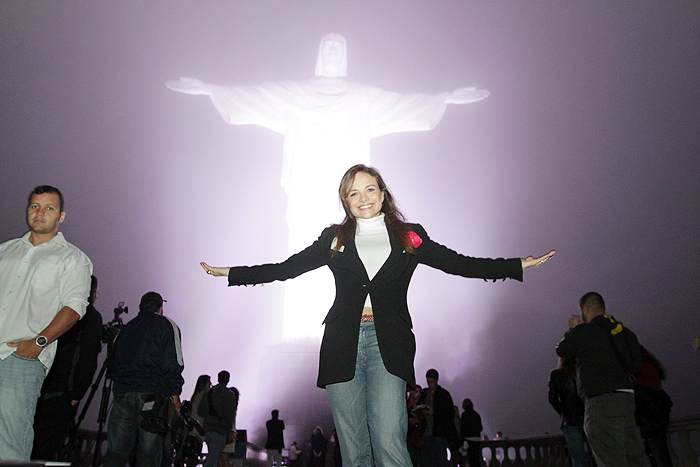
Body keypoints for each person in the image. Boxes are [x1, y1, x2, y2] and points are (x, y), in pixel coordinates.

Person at [201, 164, 555, 467]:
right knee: (353, 450)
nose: (364, 197)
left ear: (383, 194)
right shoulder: (334, 238)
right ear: (346, 201)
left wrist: (516, 265)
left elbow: (459, 264)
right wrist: (232, 273)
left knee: (389, 441)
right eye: (354, 193)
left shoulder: (409, 237)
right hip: (343, 343)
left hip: (390, 343)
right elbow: (287, 268)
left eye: (370, 189)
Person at [169, 33, 492, 341]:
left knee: (352, 254)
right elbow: (253, 97)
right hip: (307, 184)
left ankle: (349, 322)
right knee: (306, 252)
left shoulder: (362, 96)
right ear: (319, 55)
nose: (334, 52)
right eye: (329, 47)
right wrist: (209, 89)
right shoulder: (295, 93)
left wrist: (444, 99)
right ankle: (300, 330)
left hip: (349, 190)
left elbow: (403, 105)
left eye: (340, 47)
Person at [0, 185, 93, 461]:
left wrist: (38, 342)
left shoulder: (72, 259)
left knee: (9, 440)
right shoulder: (5, 251)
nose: (40, 213)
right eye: (34, 206)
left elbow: (75, 307)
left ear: (61, 216)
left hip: (19, 358)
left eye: (48, 208)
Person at [556, 292, 651, 467]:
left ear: (585, 309)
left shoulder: (584, 331)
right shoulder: (625, 332)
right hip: (627, 399)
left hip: (601, 401)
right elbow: (636, 367)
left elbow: (562, 350)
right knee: (636, 456)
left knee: (610, 457)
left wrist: (573, 329)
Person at [104, 292, 185, 467]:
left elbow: (113, 362)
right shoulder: (167, 325)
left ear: (140, 307)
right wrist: (175, 393)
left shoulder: (126, 328)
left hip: (123, 395)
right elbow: (173, 361)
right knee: (148, 456)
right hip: (153, 399)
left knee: (116, 454)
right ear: (160, 307)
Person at [32, 274, 103, 461]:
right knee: (46, 449)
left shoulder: (56, 308)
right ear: (91, 293)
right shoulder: (90, 317)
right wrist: (77, 393)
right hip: (63, 393)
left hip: (38, 385)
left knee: (26, 442)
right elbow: (87, 359)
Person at [636, 346, 673, 467]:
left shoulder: (641, 368)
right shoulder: (651, 366)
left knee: (656, 455)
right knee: (661, 454)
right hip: (658, 415)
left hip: (649, 417)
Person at [547, 357, 587, 467]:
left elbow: (552, 399)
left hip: (569, 421)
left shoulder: (556, 375)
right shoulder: (582, 371)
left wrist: (563, 412)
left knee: (578, 461)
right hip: (587, 417)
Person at [198, 371, 237, 467]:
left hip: (208, 429)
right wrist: (229, 430)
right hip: (220, 430)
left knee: (213, 454)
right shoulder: (229, 395)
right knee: (214, 457)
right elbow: (230, 415)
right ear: (228, 380)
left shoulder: (208, 393)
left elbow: (200, 411)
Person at [418, 369, 457, 467]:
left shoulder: (443, 394)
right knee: (430, 460)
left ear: (436, 380)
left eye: (432, 381)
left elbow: (449, 413)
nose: (430, 384)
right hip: (427, 432)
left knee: (440, 460)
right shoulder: (424, 393)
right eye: (428, 381)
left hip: (439, 432)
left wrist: (434, 413)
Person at [459, 399, 483, 467]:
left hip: (468, 440)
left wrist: (462, 442)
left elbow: (463, 429)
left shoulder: (464, 415)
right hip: (477, 439)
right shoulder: (476, 414)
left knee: (470, 460)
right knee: (476, 459)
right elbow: (480, 428)